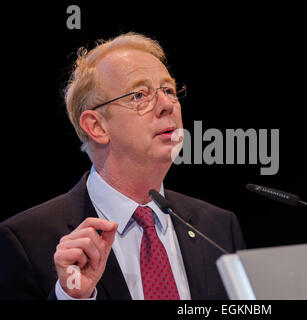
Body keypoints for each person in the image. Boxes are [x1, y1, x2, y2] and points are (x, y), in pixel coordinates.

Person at [0, 32, 246, 300]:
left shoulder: (218, 227)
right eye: (140, 95)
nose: (166, 105)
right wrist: (72, 298)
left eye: (169, 91)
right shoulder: (28, 239)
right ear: (97, 126)